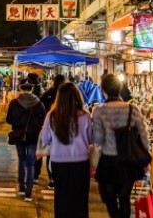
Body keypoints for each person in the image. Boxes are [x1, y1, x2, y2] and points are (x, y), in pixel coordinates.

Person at [92, 73, 150, 218]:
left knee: (110, 199)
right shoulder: (133, 109)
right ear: (120, 89)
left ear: (103, 90)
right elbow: (143, 137)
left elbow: (98, 140)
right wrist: (146, 159)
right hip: (129, 161)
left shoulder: (99, 111)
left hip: (109, 160)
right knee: (125, 199)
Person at [40, 82, 93, 217]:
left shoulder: (51, 116)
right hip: (81, 162)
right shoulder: (85, 116)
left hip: (59, 162)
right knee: (80, 199)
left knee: (62, 198)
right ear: (77, 97)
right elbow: (91, 139)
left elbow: (45, 140)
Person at [6, 81, 46, 201]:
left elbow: (8, 119)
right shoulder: (39, 103)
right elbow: (43, 119)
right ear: (32, 89)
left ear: (20, 88)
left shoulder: (14, 103)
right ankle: (29, 193)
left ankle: (22, 188)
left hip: (19, 135)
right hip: (34, 136)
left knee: (22, 160)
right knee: (30, 164)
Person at [39, 74, 67, 188]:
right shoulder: (66, 94)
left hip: (51, 124)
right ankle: (57, 178)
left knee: (51, 153)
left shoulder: (49, 93)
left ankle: (52, 179)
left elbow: (41, 103)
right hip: (64, 128)